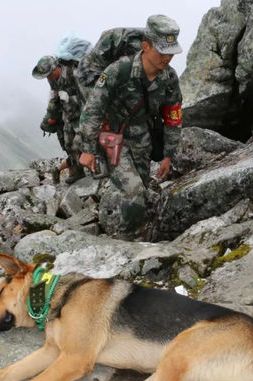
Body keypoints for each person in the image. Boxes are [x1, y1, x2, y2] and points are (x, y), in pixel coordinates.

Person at [77, 14, 183, 238]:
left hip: (142, 141)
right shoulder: (118, 71)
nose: (167, 58)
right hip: (113, 139)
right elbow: (93, 109)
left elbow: (173, 117)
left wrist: (167, 155)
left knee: (141, 192)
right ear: (146, 46)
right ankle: (124, 241)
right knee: (134, 193)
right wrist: (87, 148)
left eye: (171, 53)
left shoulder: (170, 79)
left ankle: (135, 230)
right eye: (162, 51)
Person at [33, 54, 86, 184]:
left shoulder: (75, 74)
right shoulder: (53, 81)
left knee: (85, 143)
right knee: (69, 145)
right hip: (68, 116)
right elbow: (54, 100)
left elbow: (88, 96)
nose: (49, 78)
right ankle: (78, 173)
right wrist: (50, 118)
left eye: (49, 74)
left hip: (83, 116)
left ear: (56, 68)